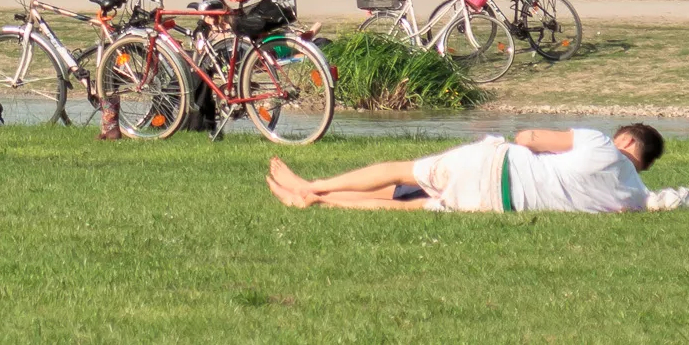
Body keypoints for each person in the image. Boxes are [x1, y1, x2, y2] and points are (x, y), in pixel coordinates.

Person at [267, 124, 666, 212]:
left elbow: (529, 138)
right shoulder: (634, 198)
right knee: (411, 203)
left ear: (627, 142)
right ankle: (316, 199)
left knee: (403, 171)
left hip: (495, 164)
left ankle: (313, 184)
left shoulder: (600, 144)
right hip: (499, 204)